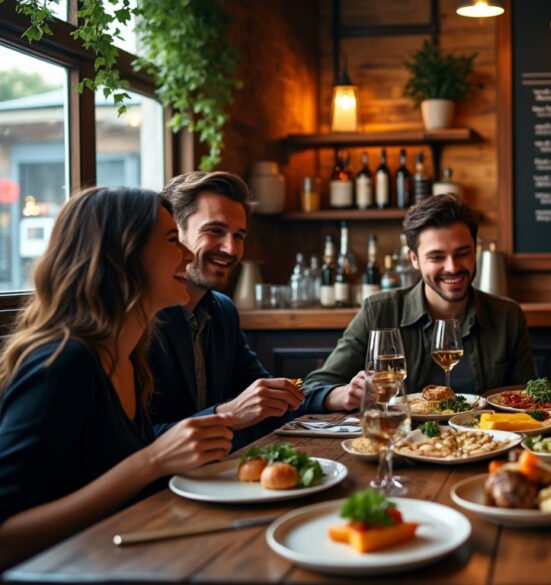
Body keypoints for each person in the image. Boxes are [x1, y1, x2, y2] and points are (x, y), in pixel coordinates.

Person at [0, 187, 234, 568]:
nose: (189, 255)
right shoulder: (63, 364)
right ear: (123, 257)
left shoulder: (130, 360)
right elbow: (5, 538)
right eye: (174, 240)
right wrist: (152, 460)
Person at [303, 194, 535, 407]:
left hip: (485, 443)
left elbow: (528, 399)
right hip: (403, 441)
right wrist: (344, 394)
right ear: (414, 259)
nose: (452, 267)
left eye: (463, 253)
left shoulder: (508, 316)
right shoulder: (379, 311)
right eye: (437, 257)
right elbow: (313, 388)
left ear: (476, 250)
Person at [148, 171, 315, 449]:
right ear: (173, 232)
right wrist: (227, 415)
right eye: (214, 230)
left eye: (239, 236)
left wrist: (336, 396)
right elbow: (125, 446)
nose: (230, 248)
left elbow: (269, 399)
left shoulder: (223, 311)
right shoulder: (141, 318)